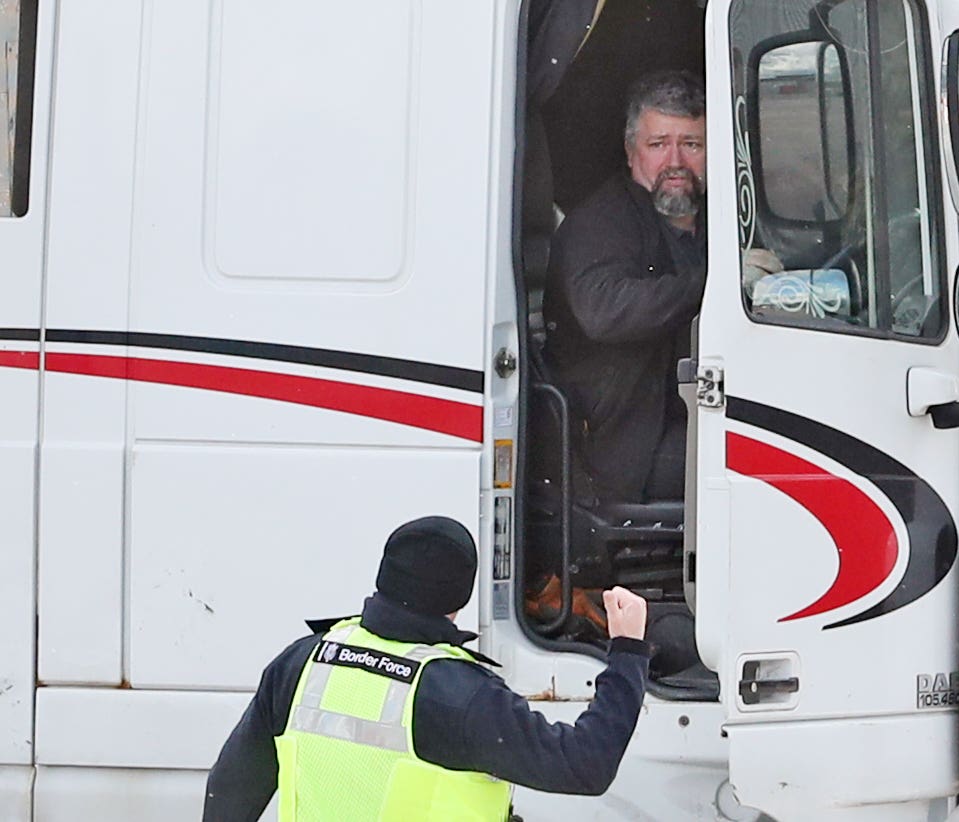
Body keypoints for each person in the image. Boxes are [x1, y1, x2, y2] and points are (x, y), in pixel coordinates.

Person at [203, 516, 650, 821]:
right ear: (458, 600)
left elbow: (228, 797)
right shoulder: (460, 696)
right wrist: (627, 650)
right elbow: (585, 764)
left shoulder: (300, 664)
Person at [541, 69, 708, 505]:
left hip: (694, 414)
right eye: (658, 145)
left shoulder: (717, 220)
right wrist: (716, 284)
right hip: (626, 449)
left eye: (691, 144)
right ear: (632, 151)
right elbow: (604, 310)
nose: (675, 161)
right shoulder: (600, 222)